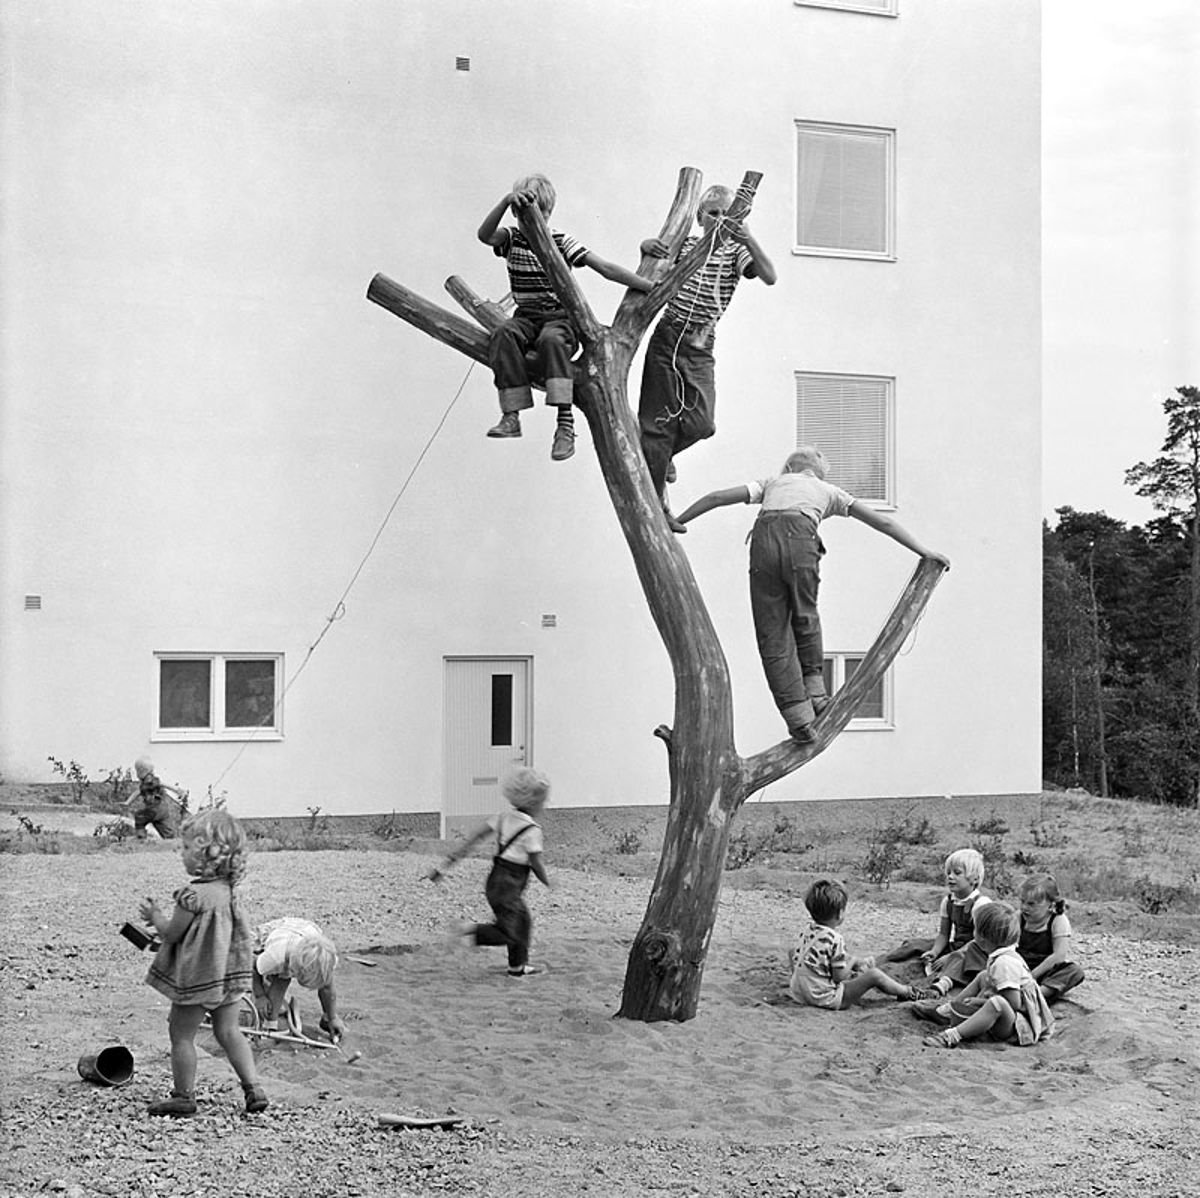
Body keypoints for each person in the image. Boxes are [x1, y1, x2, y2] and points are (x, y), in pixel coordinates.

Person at [673, 445, 950, 742]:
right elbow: (883, 522)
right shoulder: (828, 491)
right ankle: (817, 695)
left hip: (763, 546)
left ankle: (798, 719)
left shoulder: (770, 484)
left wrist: (677, 521)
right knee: (805, 616)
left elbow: (716, 498)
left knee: (772, 632)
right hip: (800, 541)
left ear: (790, 469)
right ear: (817, 474)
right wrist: (923, 550)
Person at [479, 174, 653, 461]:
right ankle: (511, 414)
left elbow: (604, 267)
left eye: (541, 213)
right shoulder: (511, 238)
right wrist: (505, 200)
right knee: (503, 334)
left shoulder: (560, 241)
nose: (534, 220)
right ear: (515, 212)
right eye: (525, 212)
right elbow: (485, 236)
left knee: (551, 341)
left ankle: (565, 421)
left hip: (560, 319)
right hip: (526, 317)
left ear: (549, 214)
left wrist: (646, 285)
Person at [638, 184, 776, 523]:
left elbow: (769, 276)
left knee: (702, 423)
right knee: (657, 425)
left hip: (701, 341)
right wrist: (645, 247)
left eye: (724, 214)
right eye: (711, 213)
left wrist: (747, 238)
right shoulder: (686, 246)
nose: (718, 219)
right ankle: (659, 509)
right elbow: (656, 265)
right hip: (669, 335)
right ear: (700, 218)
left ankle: (665, 453)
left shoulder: (734, 251)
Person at [139, 808, 268, 1116]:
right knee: (229, 1032)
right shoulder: (229, 893)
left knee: (181, 1034)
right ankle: (253, 1088)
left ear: (202, 855)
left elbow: (172, 933)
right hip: (228, 977)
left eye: (185, 848)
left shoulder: (192, 895)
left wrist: (155, 917)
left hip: (199, 978)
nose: (180, 853)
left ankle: (183, 1096)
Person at [428, 766, 551, 977]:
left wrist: (446, 864)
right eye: (543, 800)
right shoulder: (533, 831)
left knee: (522, 921)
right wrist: (548, 881)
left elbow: (475, 838)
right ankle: (468, 931)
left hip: (495, 881)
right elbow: (536, 863)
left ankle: (517, 967)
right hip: (510, 885)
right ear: (535, 802)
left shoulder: (503, 817)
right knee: (511, 930)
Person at [920, 901, 1054, 1049]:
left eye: (975, 929)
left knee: (996, 1004)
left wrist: (980, 1002)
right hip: (1014, 1016)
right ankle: (949, 1010)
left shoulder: (1004, 963)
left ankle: (952, 1036)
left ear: (982, 938)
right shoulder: (1000, 954)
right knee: (983, 976)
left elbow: (1013, 1003)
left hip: (1020, 1026)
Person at [788, 878, 939, 1010]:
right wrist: (852, 960)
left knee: (795, 951)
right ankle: (908, 992)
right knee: (874, 976)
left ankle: (803, 983)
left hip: (799, 994)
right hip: (824, 999)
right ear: (840, 913)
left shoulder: (808, 930)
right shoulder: (835, 939)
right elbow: (839, 977)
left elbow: (810, 955)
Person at [882, 847, 992, 996]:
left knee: (959, 961)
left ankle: (942, 985)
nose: (950, 877)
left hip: (974, 950)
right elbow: (943, 934)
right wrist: (935, 951)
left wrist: (952, 956)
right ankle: (880, 962)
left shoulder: (981, 904)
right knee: (916, 945)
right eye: (949, 873)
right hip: (957, 946)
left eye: (957, 873)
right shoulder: (948, 901)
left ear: (975, 879)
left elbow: (979, 941)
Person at [252, 917, 346, 1042]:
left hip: (304, 930)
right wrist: (260, 996)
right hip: (276, 933)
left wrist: (332, 1017)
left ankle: (328, 1019)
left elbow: (327, 988)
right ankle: (269, 1025)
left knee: (324, 980)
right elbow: (252, 966)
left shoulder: (328, 960)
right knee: (280, 980)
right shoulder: (275, 958)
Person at [1016, 872, 1085, 1002]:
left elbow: (1058, 956)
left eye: (1031, 904)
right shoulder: (1018, 918)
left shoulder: (1058, 921)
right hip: (1019, 965)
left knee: (1074, 971)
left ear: (1051, 905)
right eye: (1022, 902)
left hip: (1044, 970)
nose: (1024, 907)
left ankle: (1036, 996)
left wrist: (1032, 976)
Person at [124, 757, 182, 839]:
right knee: (162, 825)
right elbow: (163, 785)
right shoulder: (155, 780)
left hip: (153, 809)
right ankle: (171, 839)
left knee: (139, 818)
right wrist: (176, 790)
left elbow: (138, 791)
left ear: (143, 771)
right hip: (163, 809)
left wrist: (128, 802)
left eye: (137, 771)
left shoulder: (147, 782)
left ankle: (141, 837)